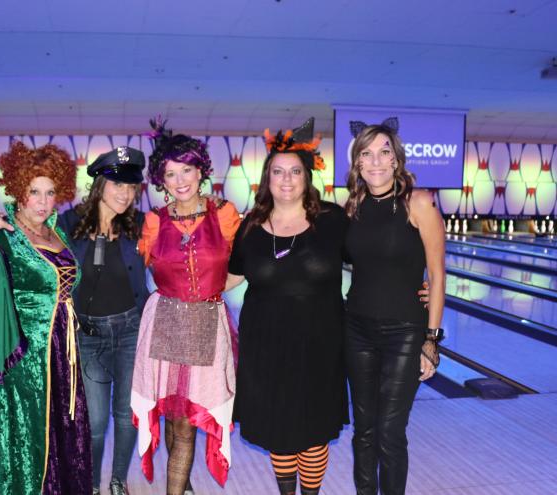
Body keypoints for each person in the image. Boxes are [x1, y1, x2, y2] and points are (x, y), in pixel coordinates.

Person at [225, 118, 348, 495]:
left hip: (320, 343)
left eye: (295, 171)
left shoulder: (332, 220)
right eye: (278, 171)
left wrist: (414, 285)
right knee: (280, 430)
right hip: (266, 345)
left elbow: (371, 261)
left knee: (313, 431)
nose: (287, 179)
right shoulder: (250, 227)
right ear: (267, 178)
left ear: (307, 176)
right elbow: (228, 279)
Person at [0, 140, 92, 494]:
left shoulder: (55, 230)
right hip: (27, 357)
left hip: (64, 354)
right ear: (19, 189)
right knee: (30, 439)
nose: (43, 201)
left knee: (65, 437)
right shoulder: (8, 235)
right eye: (34, 191)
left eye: (50, 192)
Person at [130, 118, 241, 495]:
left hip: (208, 324)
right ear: (161, 179)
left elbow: (244, 265)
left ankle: (179, 482)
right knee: (177, 421)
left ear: (201, 171)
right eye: (170, 173)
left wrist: (213, 292)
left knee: (189, 421)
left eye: (187, 170)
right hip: (166, 324)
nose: (180, 180)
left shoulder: (224, 215)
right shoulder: (152, 222)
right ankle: (179, 486)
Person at [343, 118, 446, 495]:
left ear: (396, 159)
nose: (375, 161)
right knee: (364, 431)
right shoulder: (350, 206)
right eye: (366, 154)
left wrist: (431, 341)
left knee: (390, 430)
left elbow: (436, 274)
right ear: (357, 163)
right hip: (356, 329)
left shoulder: (418, 204)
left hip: (404, 332)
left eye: (384, 151)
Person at [57, 146, 149, 495]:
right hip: (88, 335)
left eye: (131, 187)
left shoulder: (139, 225)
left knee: (126, 417)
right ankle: (90, 483)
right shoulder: (67, 224)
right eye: (117, 185)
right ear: (99, 183)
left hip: (130, 331)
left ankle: (117, 481)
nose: (125, 193)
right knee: (94, 422)